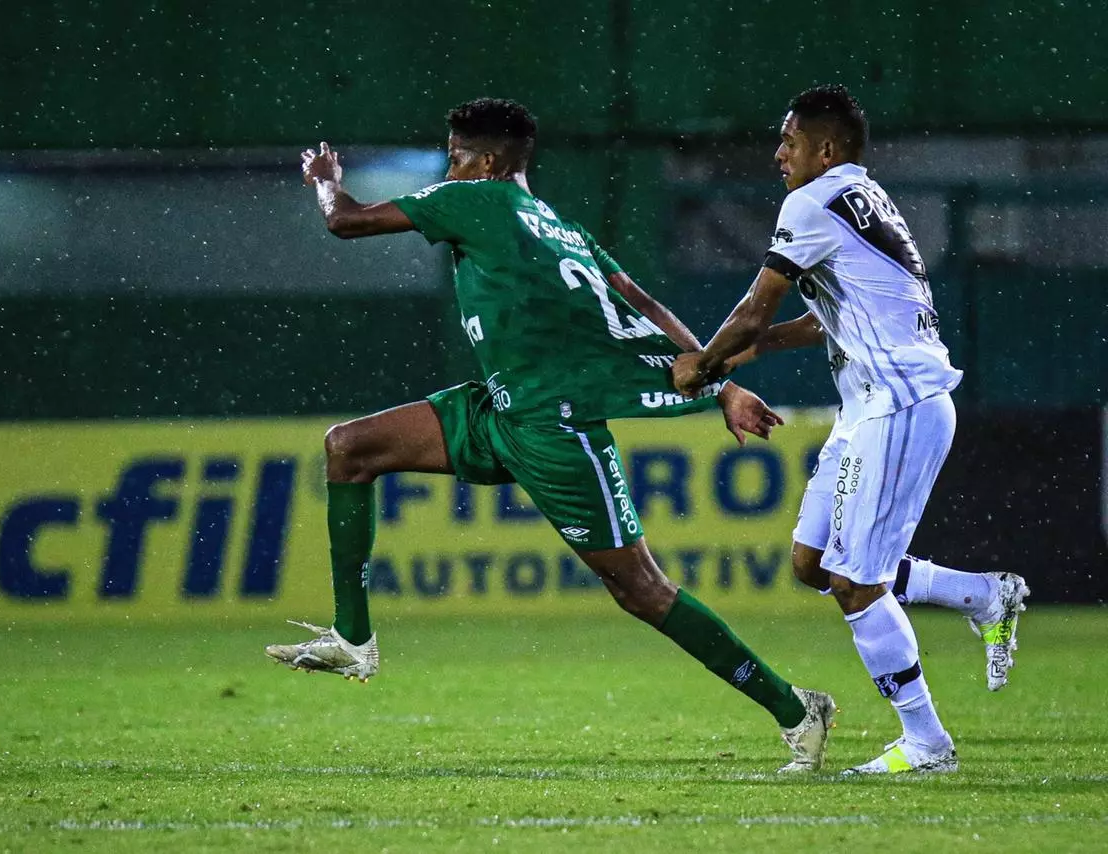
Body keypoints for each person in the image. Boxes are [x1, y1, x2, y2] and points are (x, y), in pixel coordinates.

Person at [265, 97, 836, 773]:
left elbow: (346, 221)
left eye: (455, 156)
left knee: (643, 591)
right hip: (497, 408)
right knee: (349, 448)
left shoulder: (473, 200)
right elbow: (641, 303)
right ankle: (354, 639)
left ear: (487, 162)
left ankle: (797, 709)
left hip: (553, 425)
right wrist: (721, 382)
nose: (448, 168)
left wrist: (324, 176)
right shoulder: (560, 227)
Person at [671, 84, 1029, 775]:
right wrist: (760, 347)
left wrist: (705, 365)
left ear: (826, 149)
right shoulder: (861, 198)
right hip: (870, 408)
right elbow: (833, 313)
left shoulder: (810, 202)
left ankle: (927, 744)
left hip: (898, 406)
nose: (779, 153)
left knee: (856, 584)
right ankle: (983, 594)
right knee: (813, 564)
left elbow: (752, 306)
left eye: (789, 141)